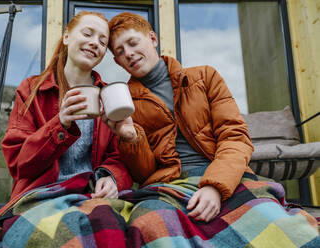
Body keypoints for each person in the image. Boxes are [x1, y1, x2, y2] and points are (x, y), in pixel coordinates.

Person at [102, 12, 320, 247]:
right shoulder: (126, 103)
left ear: (152, 39)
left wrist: (215, 186)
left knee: (285, 229)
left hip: (223, 175)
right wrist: (130, 138)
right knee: (149, 225)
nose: (129, 54)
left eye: (133, 43)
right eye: (120, 52)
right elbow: (143, 174)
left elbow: (235, 137)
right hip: (166, 187)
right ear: (117, 61)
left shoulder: (205, 77)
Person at [0, 11, 132, 246]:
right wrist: (60, 124)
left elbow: (118, 158)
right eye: (87, 34)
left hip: (90, 195)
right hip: (39, 196)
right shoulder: (31, 89)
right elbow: (18, 164)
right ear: (66, 36)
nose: (95, 43)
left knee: (113, 233)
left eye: (102, 41)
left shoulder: (108, 96)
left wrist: (111, 177)